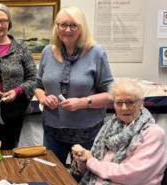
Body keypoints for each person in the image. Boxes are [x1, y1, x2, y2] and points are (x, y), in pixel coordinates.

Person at [33, 6, 113, 164]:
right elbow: (37, 86)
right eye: (62, 25)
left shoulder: (96, 52)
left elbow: (110, 94)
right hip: (53, 131)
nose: (67, 30)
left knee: (83, 180)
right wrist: (44, 99)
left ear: (81, 28)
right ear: (56, 27)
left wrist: (83, 102)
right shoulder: (47, 51)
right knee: (53, 177)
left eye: (73, 25)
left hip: (87, 133)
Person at [72, 79, 167, 185]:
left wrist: (91, 161)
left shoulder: (153, 133)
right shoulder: (110, 127)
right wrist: (84, 159)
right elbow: (94, 165)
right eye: (119, 103)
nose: (124, 108)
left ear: (141, 102)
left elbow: (131, 174)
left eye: (130, 102)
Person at [0, 3, 38, 150]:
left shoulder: (21, 47)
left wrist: (16, 91)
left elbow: (34, 78)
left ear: (9, 23)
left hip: (15, 110)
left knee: (10, 150)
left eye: (3, 21)